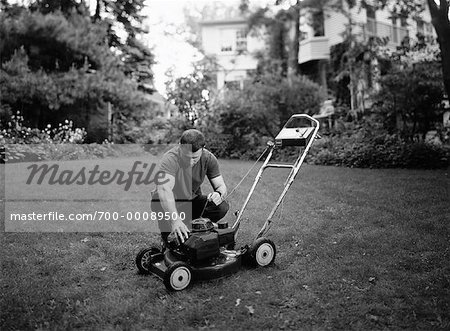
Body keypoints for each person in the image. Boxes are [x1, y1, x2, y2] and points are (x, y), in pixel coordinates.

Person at [151, 129, 229, 244]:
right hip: (166, 203)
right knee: (172, 242)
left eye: (194, 158)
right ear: (180, 146)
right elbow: (164, 189)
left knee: (221, 206)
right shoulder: (170, 159)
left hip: (192, 200)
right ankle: (167, 238)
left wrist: (219, 194)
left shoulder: (209, 158)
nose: (190, 162)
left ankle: (195, 229)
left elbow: (221, 186)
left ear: (203, 148)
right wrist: (175, 220)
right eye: (186, 157)